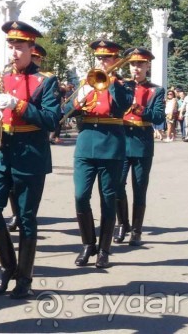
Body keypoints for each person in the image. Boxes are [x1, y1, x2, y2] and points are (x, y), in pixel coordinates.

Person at [0, 21, 60, 299]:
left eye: (19, 47)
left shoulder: (46, 81)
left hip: (30, 154)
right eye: (11, 47)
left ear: (31, 49)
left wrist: (20, 105)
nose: (14, 53)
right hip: (1, 151)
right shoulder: (0, 78)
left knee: (26, 218)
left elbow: (51, 119)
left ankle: (24, 278)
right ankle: (7, 266)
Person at [65, 40, 132, 269]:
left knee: (107, 199)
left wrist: (111, 83)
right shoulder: (87, 83)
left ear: (115, 60)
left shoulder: (123, 85)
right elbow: (65, 111)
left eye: (107, 58)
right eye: (100, 58)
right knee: (80, 196)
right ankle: (87, 244)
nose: (102, 62)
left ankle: (104, 250)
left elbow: (122, 106)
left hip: (111, 147)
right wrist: (78, 98)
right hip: (85, 146)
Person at [115, 48, 165, 247]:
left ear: (147, 66)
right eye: (133, 64)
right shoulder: (122, 85)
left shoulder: (156, 90)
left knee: (139, 188)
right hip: (122, 139)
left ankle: (136, 230)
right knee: (118, 185)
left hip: (142, 141)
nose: (136, 68)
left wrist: (140, 109)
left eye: (140, 64)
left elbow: (159, 117)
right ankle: (122, 224)